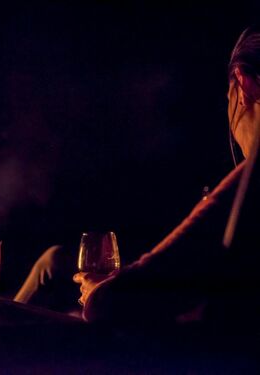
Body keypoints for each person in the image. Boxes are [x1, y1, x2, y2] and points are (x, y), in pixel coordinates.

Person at [15, 26, 260, 328]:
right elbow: (178, 269)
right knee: (54, 262)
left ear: (244, 83)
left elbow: (112, 303)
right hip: (207, 327)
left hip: (183, 349)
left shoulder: (249, 183)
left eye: (229, 99)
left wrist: (96, 291)